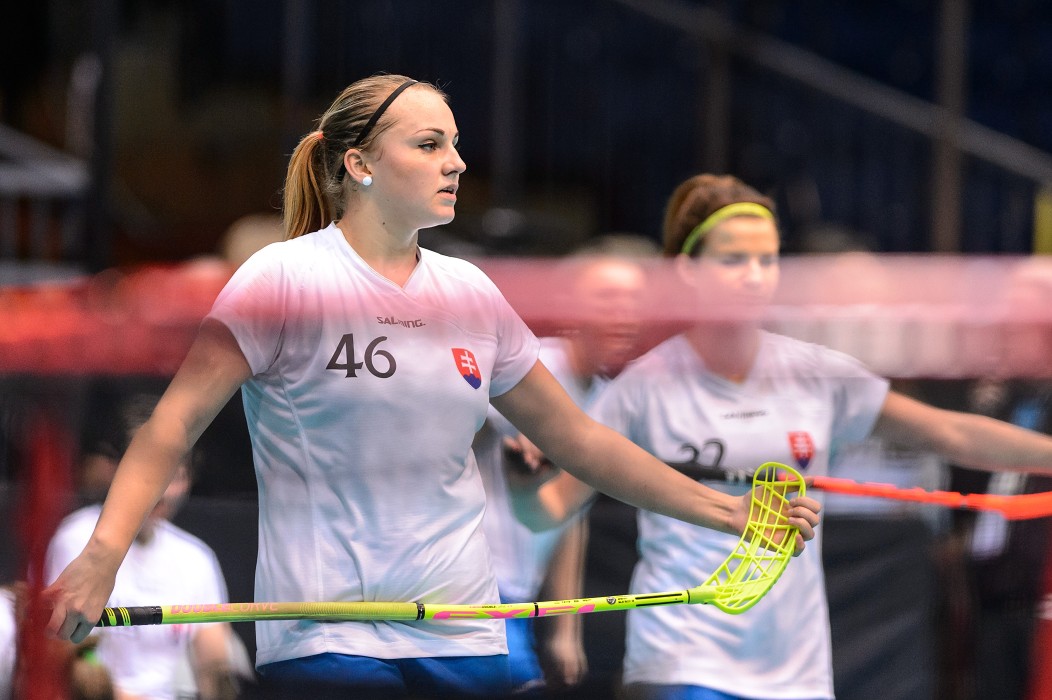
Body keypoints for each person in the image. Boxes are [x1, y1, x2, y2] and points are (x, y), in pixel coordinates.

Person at [41, 77, 820, 699]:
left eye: (456, 144)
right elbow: (171, 426)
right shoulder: (282, 279)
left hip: (463, 631)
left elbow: (580, 442)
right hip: (329, 640)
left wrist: (730, 511)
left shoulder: (472, 293)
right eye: (430, 144)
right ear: (359, 164)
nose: (457, 162)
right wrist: (103, 553)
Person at [509, 173, 1052, 700]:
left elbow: (952, 431)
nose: (754, 276)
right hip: (680, 658)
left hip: (797, 671)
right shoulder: (642, 388)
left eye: (767, 260)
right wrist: (524, 482)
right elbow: (548, 513)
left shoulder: (815, 374)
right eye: (733, 260)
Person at [476, 247, 651, 693]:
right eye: (608, 300)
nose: (624, 316)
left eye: (636, 303)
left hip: (517, 597)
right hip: (467, 588)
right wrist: (516, 434)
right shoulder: (527, 365)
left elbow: (569, 516)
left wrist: (565, 627)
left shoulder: (613, 402)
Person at [46, 393, 244, 700]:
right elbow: (74, 659)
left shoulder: (197, 558)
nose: (161, 492)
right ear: (118, 470)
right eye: (152, 475)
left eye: (175, 475)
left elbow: (214, 667)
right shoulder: (77, 540)